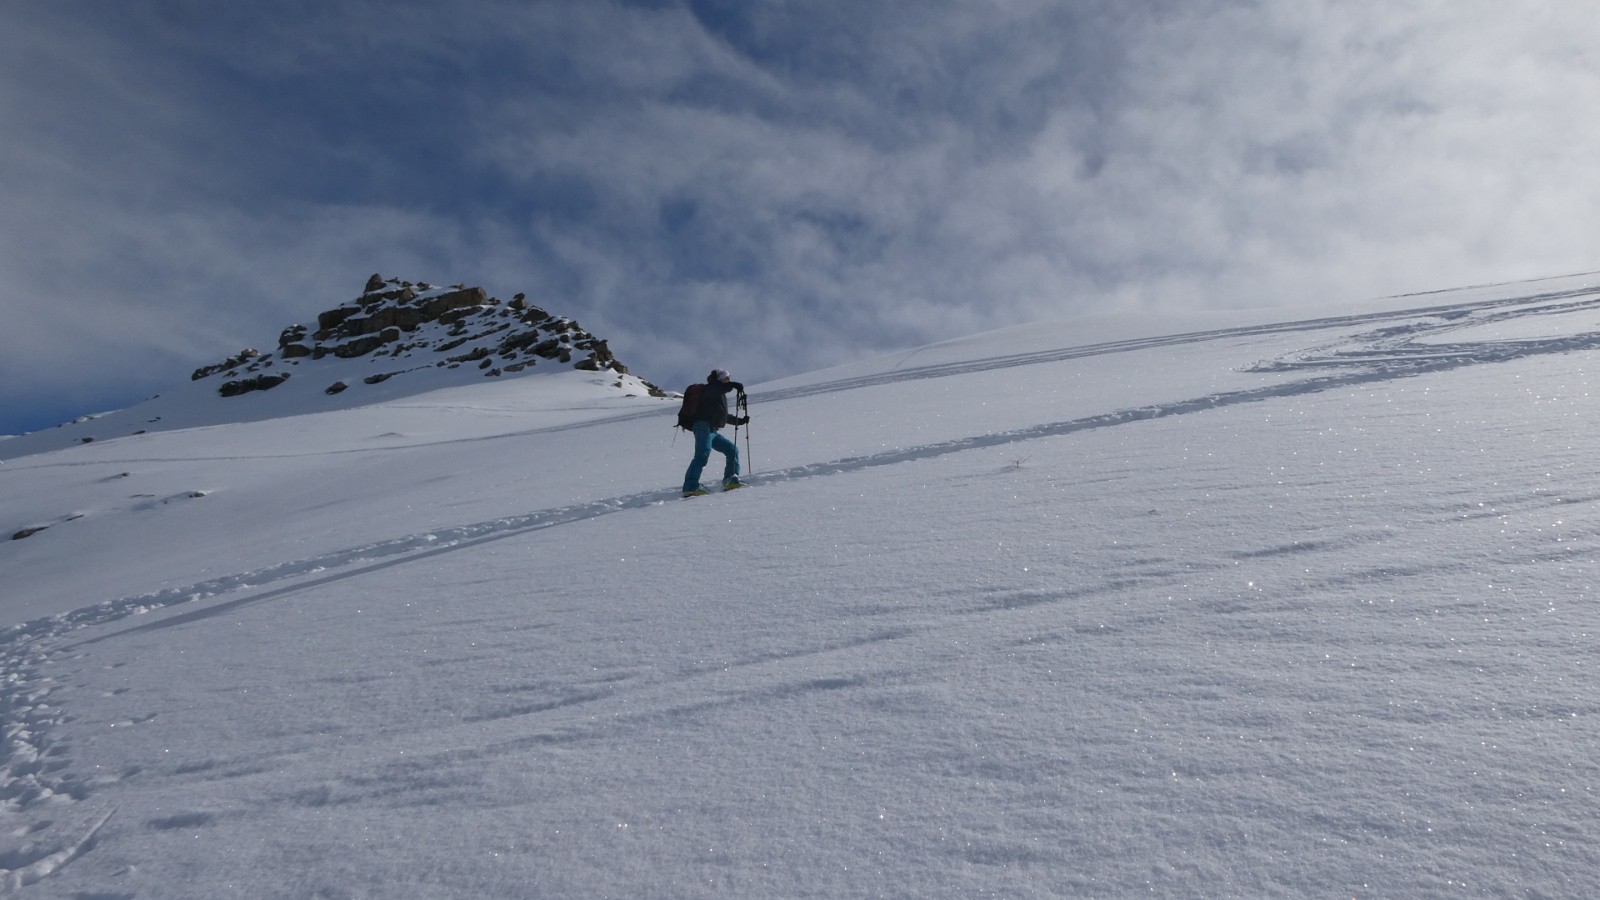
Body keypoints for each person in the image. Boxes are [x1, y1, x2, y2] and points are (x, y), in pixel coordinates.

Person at [682, 368, 748, 497]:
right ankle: (690, 486)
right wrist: (733, 385)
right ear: (720, 379)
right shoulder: (711, 389)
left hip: (712, 429)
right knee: (702, 454)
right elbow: (717, 389)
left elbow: (722, 415)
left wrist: (739, 421)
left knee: (732, 449)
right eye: (726, 378)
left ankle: (730, 480)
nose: (728, 380)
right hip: (703, 426)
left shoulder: (717, 394)